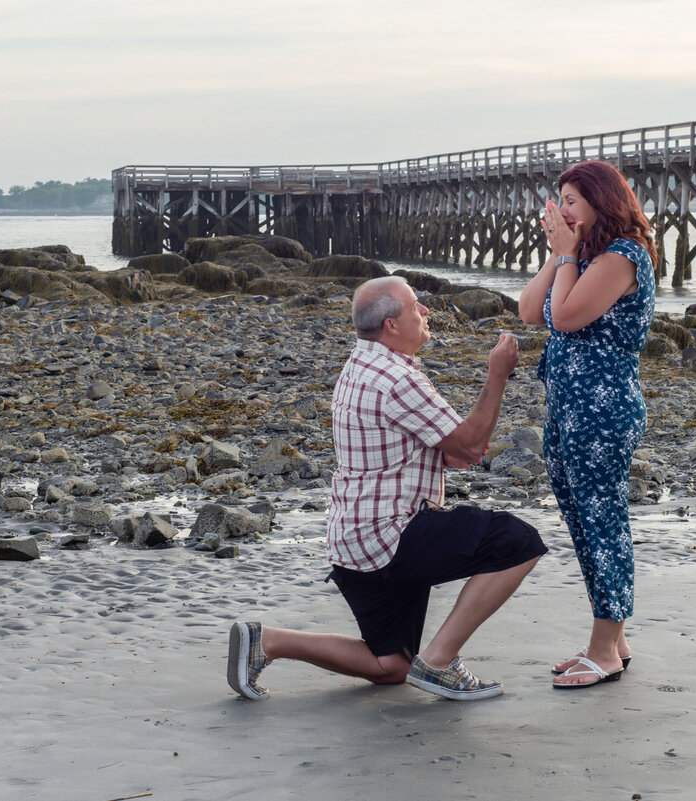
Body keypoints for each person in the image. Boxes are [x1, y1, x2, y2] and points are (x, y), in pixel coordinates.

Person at [228, 276, 546, 702]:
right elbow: (469, 444)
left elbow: (448, 451)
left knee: (390, 665)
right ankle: (439, 664)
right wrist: (497, 374)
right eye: (416, 306)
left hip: (352, 544)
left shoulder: (361, 365)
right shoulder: (397, 378)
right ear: (392, 325)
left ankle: (267, 641)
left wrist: (458, 445)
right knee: (518, 541)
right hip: (390, 537)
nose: (426, 312)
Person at [517, 160, 657, 689]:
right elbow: (533, 310)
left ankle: (605, 649)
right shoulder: (586, 256)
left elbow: (568, 317)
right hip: (568, 410)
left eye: (572, 199)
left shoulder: (623, 256)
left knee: (603, 524)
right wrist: (560, 254)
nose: (563, 209)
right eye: (560, 200)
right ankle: (613, 640)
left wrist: (568, 253)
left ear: (602, 200)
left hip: (602, 413)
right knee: (581, 522)